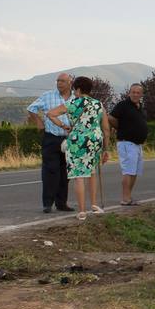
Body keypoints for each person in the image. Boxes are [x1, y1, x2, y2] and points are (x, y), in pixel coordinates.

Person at [48, 75, 107, 216]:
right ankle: (94, 205)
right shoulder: (99, 104)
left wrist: (64, 126)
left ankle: (82, 211)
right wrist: (106, 148)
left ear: (79, 90)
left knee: (78, 176)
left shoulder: (73, 103)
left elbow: (50, 114)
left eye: (75, 90)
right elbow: (106, 128)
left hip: (77, 141)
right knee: (92, 173)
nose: (74, 92)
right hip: (95, 140)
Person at [27, 72, 74, 213]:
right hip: (52, 138)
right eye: (58, 81)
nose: (59, 83)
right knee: (50, 171)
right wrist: (38, 122)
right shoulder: (48, 96)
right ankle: (47, 203)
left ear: (70, 83)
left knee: (65, 173)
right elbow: (31, 108)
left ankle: (62, 203)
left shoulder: (75, 98)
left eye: (63, 81)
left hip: (69, 139)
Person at [106, 82, 149, 205]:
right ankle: (125, 199)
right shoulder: (123, 105)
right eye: (133, 92)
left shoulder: (140, 107)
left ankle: (128, 197)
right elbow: (110, 118)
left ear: (141, 94)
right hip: (127, 143)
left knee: (134, 171)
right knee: (128, 171)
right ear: (129, 93)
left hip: (137, 144)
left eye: (138, 92)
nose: (135, 94)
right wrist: (120, 128)